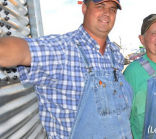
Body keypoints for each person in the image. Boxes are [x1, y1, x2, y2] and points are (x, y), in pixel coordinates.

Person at [0, 0, 133, 138]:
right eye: (100, 6)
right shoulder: (62, 49)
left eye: (112, 9)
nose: (107, 13)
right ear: (84, 8)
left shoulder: (115, 55)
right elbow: (16, 51)